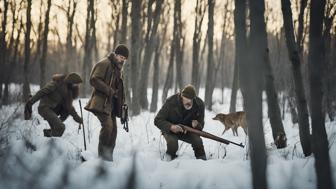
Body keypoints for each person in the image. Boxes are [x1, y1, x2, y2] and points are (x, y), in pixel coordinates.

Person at [85, 44, 129, 161]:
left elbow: (119, 90)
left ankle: (108, 158)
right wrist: (109, 90)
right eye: (121, 57)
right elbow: (93, 79)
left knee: (114, 130)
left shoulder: (119, 70)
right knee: (108, 127)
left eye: (124, 59)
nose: (122, 60)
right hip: (100, 102)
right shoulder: (105, 63)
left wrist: (122, 104)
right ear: (115, 55)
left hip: (111, 106)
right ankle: (101, 158)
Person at [154, 84, 206, 160]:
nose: (189, 101)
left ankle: (203, 162)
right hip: (170, 130)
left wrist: (197, 125)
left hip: (188, 131)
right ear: (181, 96)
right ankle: (169, 161)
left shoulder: (199, 104)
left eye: (191, 99)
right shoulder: (171, 102)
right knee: (173, 143)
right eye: (186, 98)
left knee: (198, 141)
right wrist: (171, 127)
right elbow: (158, 120)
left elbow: (201, 126)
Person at [25, 73, 83, 137]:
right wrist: (31, 102)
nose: (76, 85)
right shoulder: (56, 84)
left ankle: (53, 129)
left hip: (53, 109)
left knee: (67, 110)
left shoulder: (68, 92)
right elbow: (42, 92)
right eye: (75, 83)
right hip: (44, 108)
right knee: (61, 127)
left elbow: (70, 108)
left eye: (77, 84)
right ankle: (51, 134)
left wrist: (79, 119)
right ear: (71, 82)